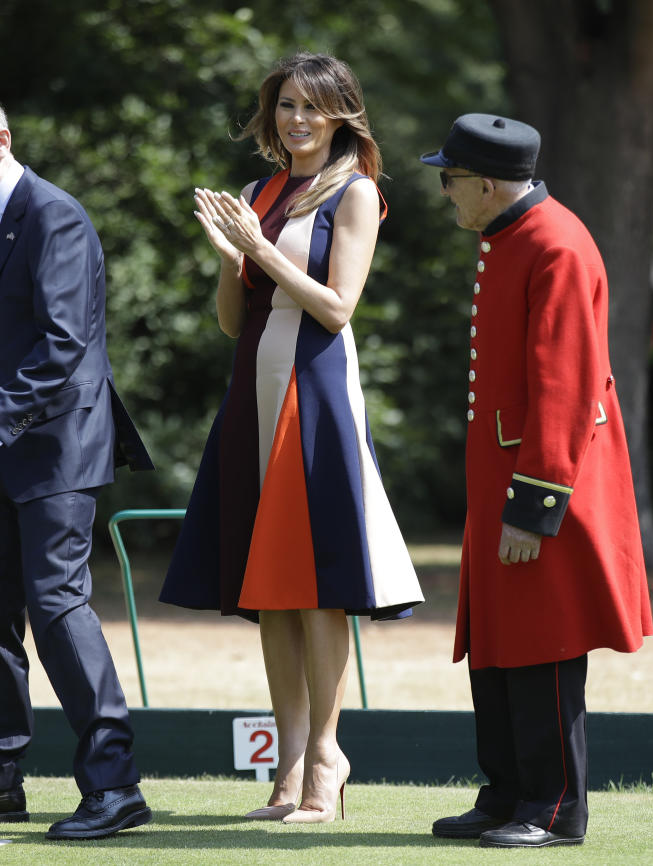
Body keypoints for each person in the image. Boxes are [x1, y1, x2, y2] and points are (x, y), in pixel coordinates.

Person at [159, 53, 423, 824]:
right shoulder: (256, 193)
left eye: (312, 107)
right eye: (284, 107)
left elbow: (337, 309)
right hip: (251, 391)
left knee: (317, 589)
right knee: (268, 589)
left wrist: (262, 251)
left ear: (342, 113)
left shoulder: (356, 192)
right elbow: (233, 321)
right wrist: (227, 263)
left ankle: (325, 759)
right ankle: (286, 760)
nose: (296, 120)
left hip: (315, 391)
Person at [0, 92, 154, 841]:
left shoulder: (55, 215)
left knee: (55, 604)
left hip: (54, 446)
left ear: (0, 139)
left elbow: (63, 345)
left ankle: (114, 788)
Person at [419, 114, 653, 849]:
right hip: (507, 477)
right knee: (496, 641)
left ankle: (553, 810)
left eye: (448, 179)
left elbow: (563, 387)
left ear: (485, 183)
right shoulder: (512, 236)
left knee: (542, 644)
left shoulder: (552, 242)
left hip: (543, 484)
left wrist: (533, 505)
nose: (444, 192)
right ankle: (505, 796)